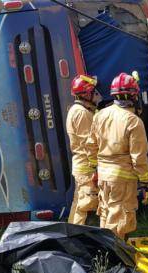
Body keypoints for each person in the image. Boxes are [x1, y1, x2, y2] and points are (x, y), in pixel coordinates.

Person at [87, 72, 148, 240]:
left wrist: (95, 170)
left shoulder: (100, 114)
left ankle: (105, 255)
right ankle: (116, 259)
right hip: (122, 179)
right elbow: (139, 157)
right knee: (120, 220)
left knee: (106, 214)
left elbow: (91, 146)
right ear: (134, 96)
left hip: (103, 175)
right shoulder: (133, 121)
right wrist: (146, 182)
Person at [67, 74, 101, 225]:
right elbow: (90, 144)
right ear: (87, 94)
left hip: (81, 165)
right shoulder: (82, 113)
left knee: (79, 202)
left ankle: (71, 234)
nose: (96, 95)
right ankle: (79, 237)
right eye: (94, 92)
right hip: (86, 166)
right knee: (86, 204)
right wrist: (95, 168)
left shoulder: (78, 110)